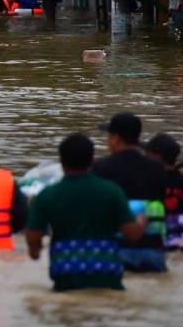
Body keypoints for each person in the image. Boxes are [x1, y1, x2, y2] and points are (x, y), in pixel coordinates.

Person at [25, 133, 146, 292]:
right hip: (107, 277)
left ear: (62, 161)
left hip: (66, 279)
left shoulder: (47, 196)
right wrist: (142, 221)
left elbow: (33, 240)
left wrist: (35, 251)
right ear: (92, 161)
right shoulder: (111, 191)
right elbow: (132, 234)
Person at [92, 112, 168, 272]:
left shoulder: (101, 168)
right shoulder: (157, 168)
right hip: (153, 254)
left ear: (115, 138)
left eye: (109, 136)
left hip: (117, 253)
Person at [143, 132, 183, 249]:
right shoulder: (180, 180)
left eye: (147, 155)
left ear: (157, 157)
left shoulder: (149, 181)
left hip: (157, 240)